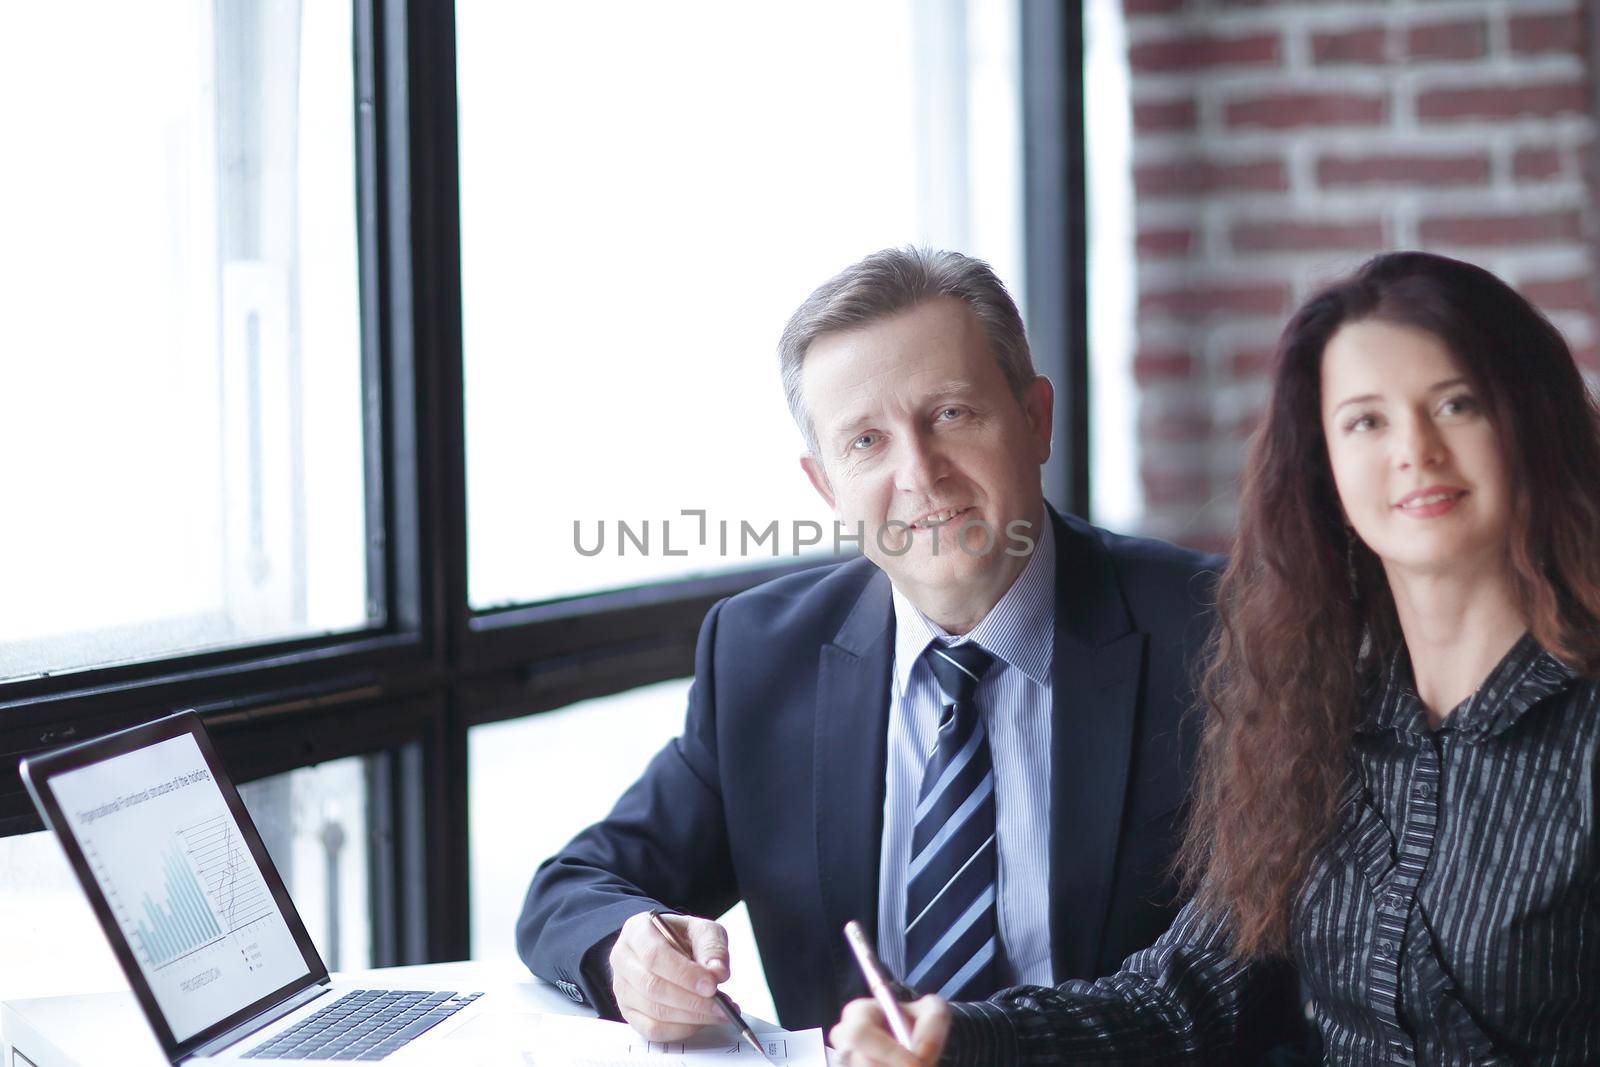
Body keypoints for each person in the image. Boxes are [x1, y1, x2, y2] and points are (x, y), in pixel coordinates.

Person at [831, 249, 1600, 1065]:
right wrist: (962, 1035)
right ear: (1323, 466)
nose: (1413, 449)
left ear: (1529, 420)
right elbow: (1183, 998)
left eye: (1455, 405)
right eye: (1365, 420)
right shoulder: (1318, 715)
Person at [515, 248, 1249, 1039]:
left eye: (951, 414)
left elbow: (1249, 978)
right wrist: (629, 953)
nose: (921, 474)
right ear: (827, 486)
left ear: (1036, 418)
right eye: (866, 441)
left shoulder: (1218, 634)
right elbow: (574, 887)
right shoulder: (763, 654)